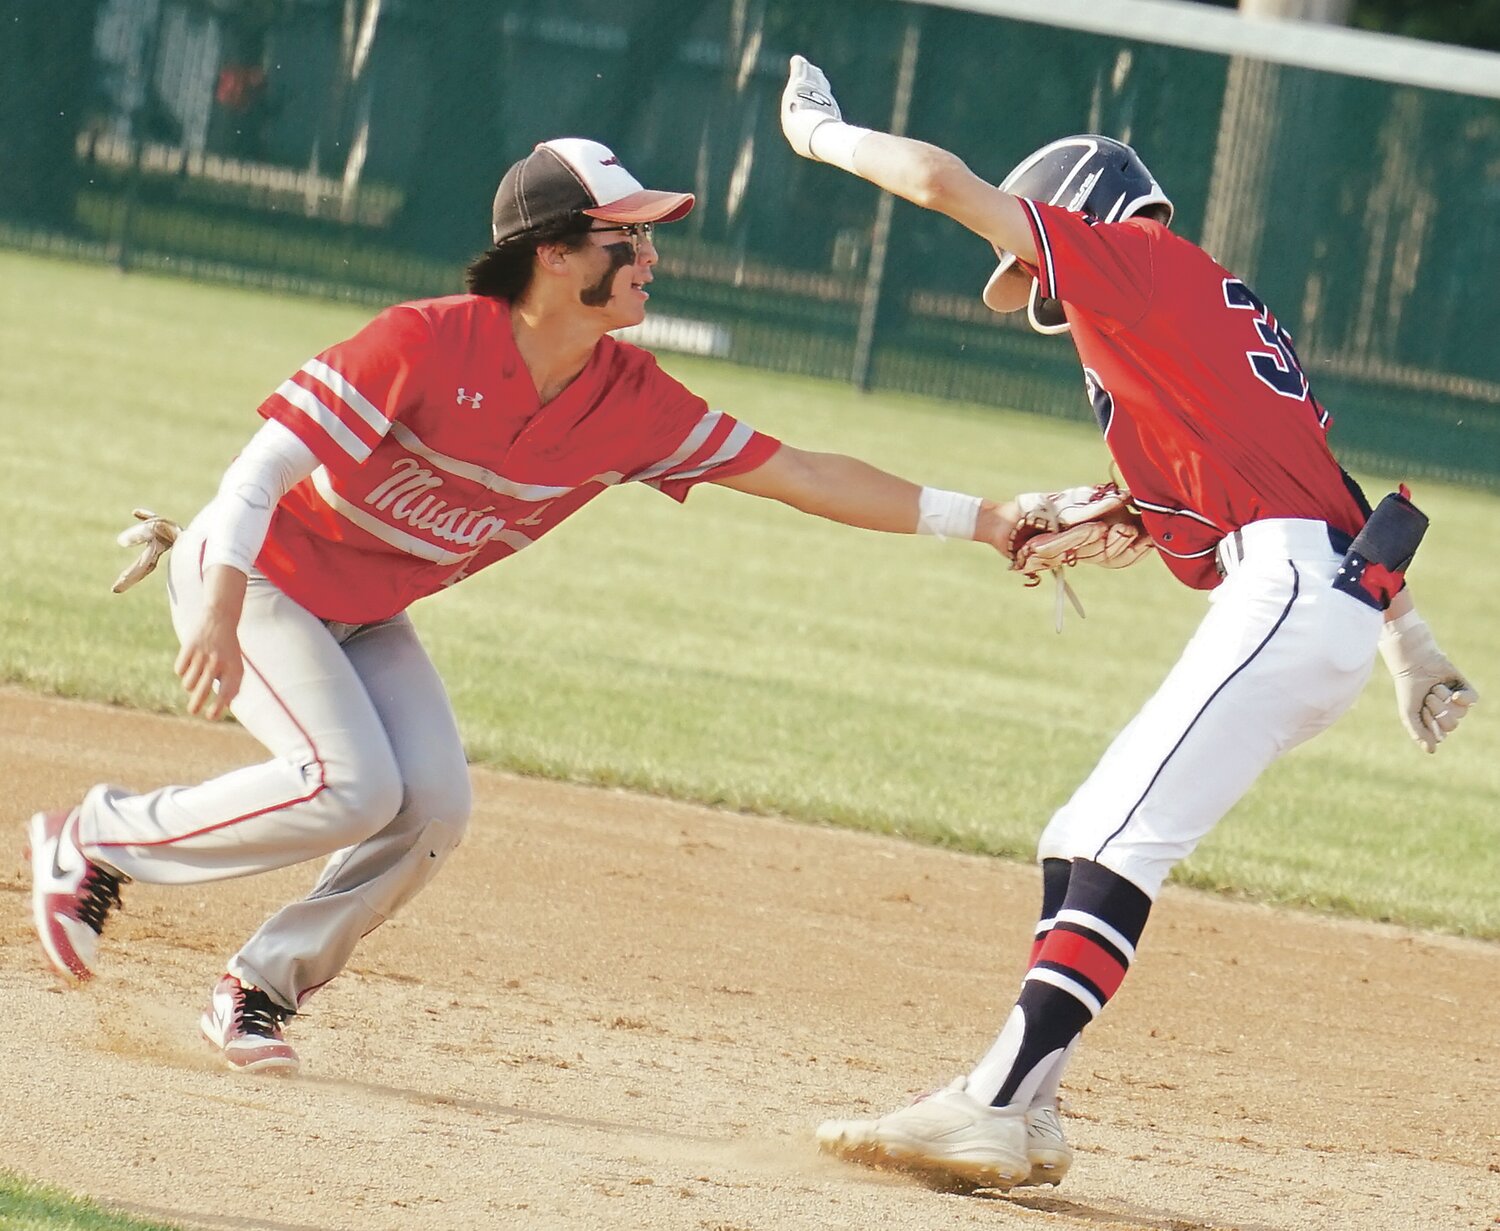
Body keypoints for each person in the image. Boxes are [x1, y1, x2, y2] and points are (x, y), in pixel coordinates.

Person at [26, 136, 1031, 1075]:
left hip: (366, 612)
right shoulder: (426, 342)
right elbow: (259, 470)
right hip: (255, 577)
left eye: (648, 236)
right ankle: (97, 838)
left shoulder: (631, 400)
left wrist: (985, 516)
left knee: (432, 809)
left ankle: (260, 984)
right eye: (625, 236)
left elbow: (804, 471)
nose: (649, 256)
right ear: (553, 253)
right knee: (349, 785)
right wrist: (217, 605)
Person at [779, 56, 1480, 1190]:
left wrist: (823, 136)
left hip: (1294, 595)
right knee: (1079, 834)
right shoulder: (1183, 319)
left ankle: (992, 1101)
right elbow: (1326, 487)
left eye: (1032, 262)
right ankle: (1034, 1108)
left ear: (1085, 218)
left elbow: (940, 182)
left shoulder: (1137, 260)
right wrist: (1409, 645)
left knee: (1119, 844)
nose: (1034, 292)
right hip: (1310, 593)